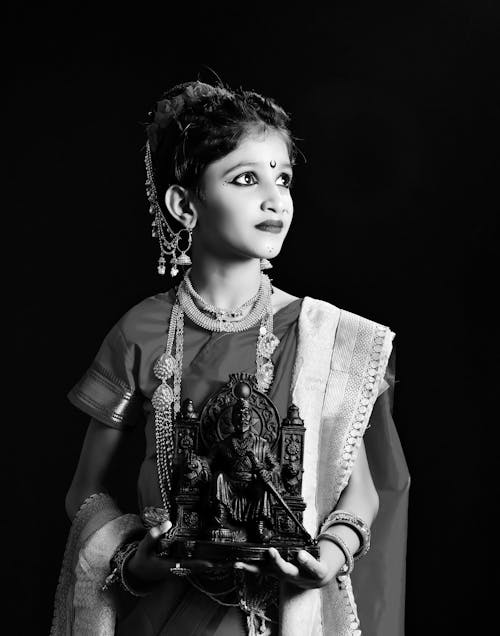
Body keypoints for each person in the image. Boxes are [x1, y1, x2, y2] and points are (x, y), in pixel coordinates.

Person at [51, 80, 410, 636]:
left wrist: (332, 555)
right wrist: (138, 561)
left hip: (284, 611)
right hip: (168, 610)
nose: (276, 199)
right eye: (247, 179)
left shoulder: (326, 337)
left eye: (283, 178)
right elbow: (84, 491)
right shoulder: (140, 331)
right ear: (184, 204)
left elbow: (357, 487)